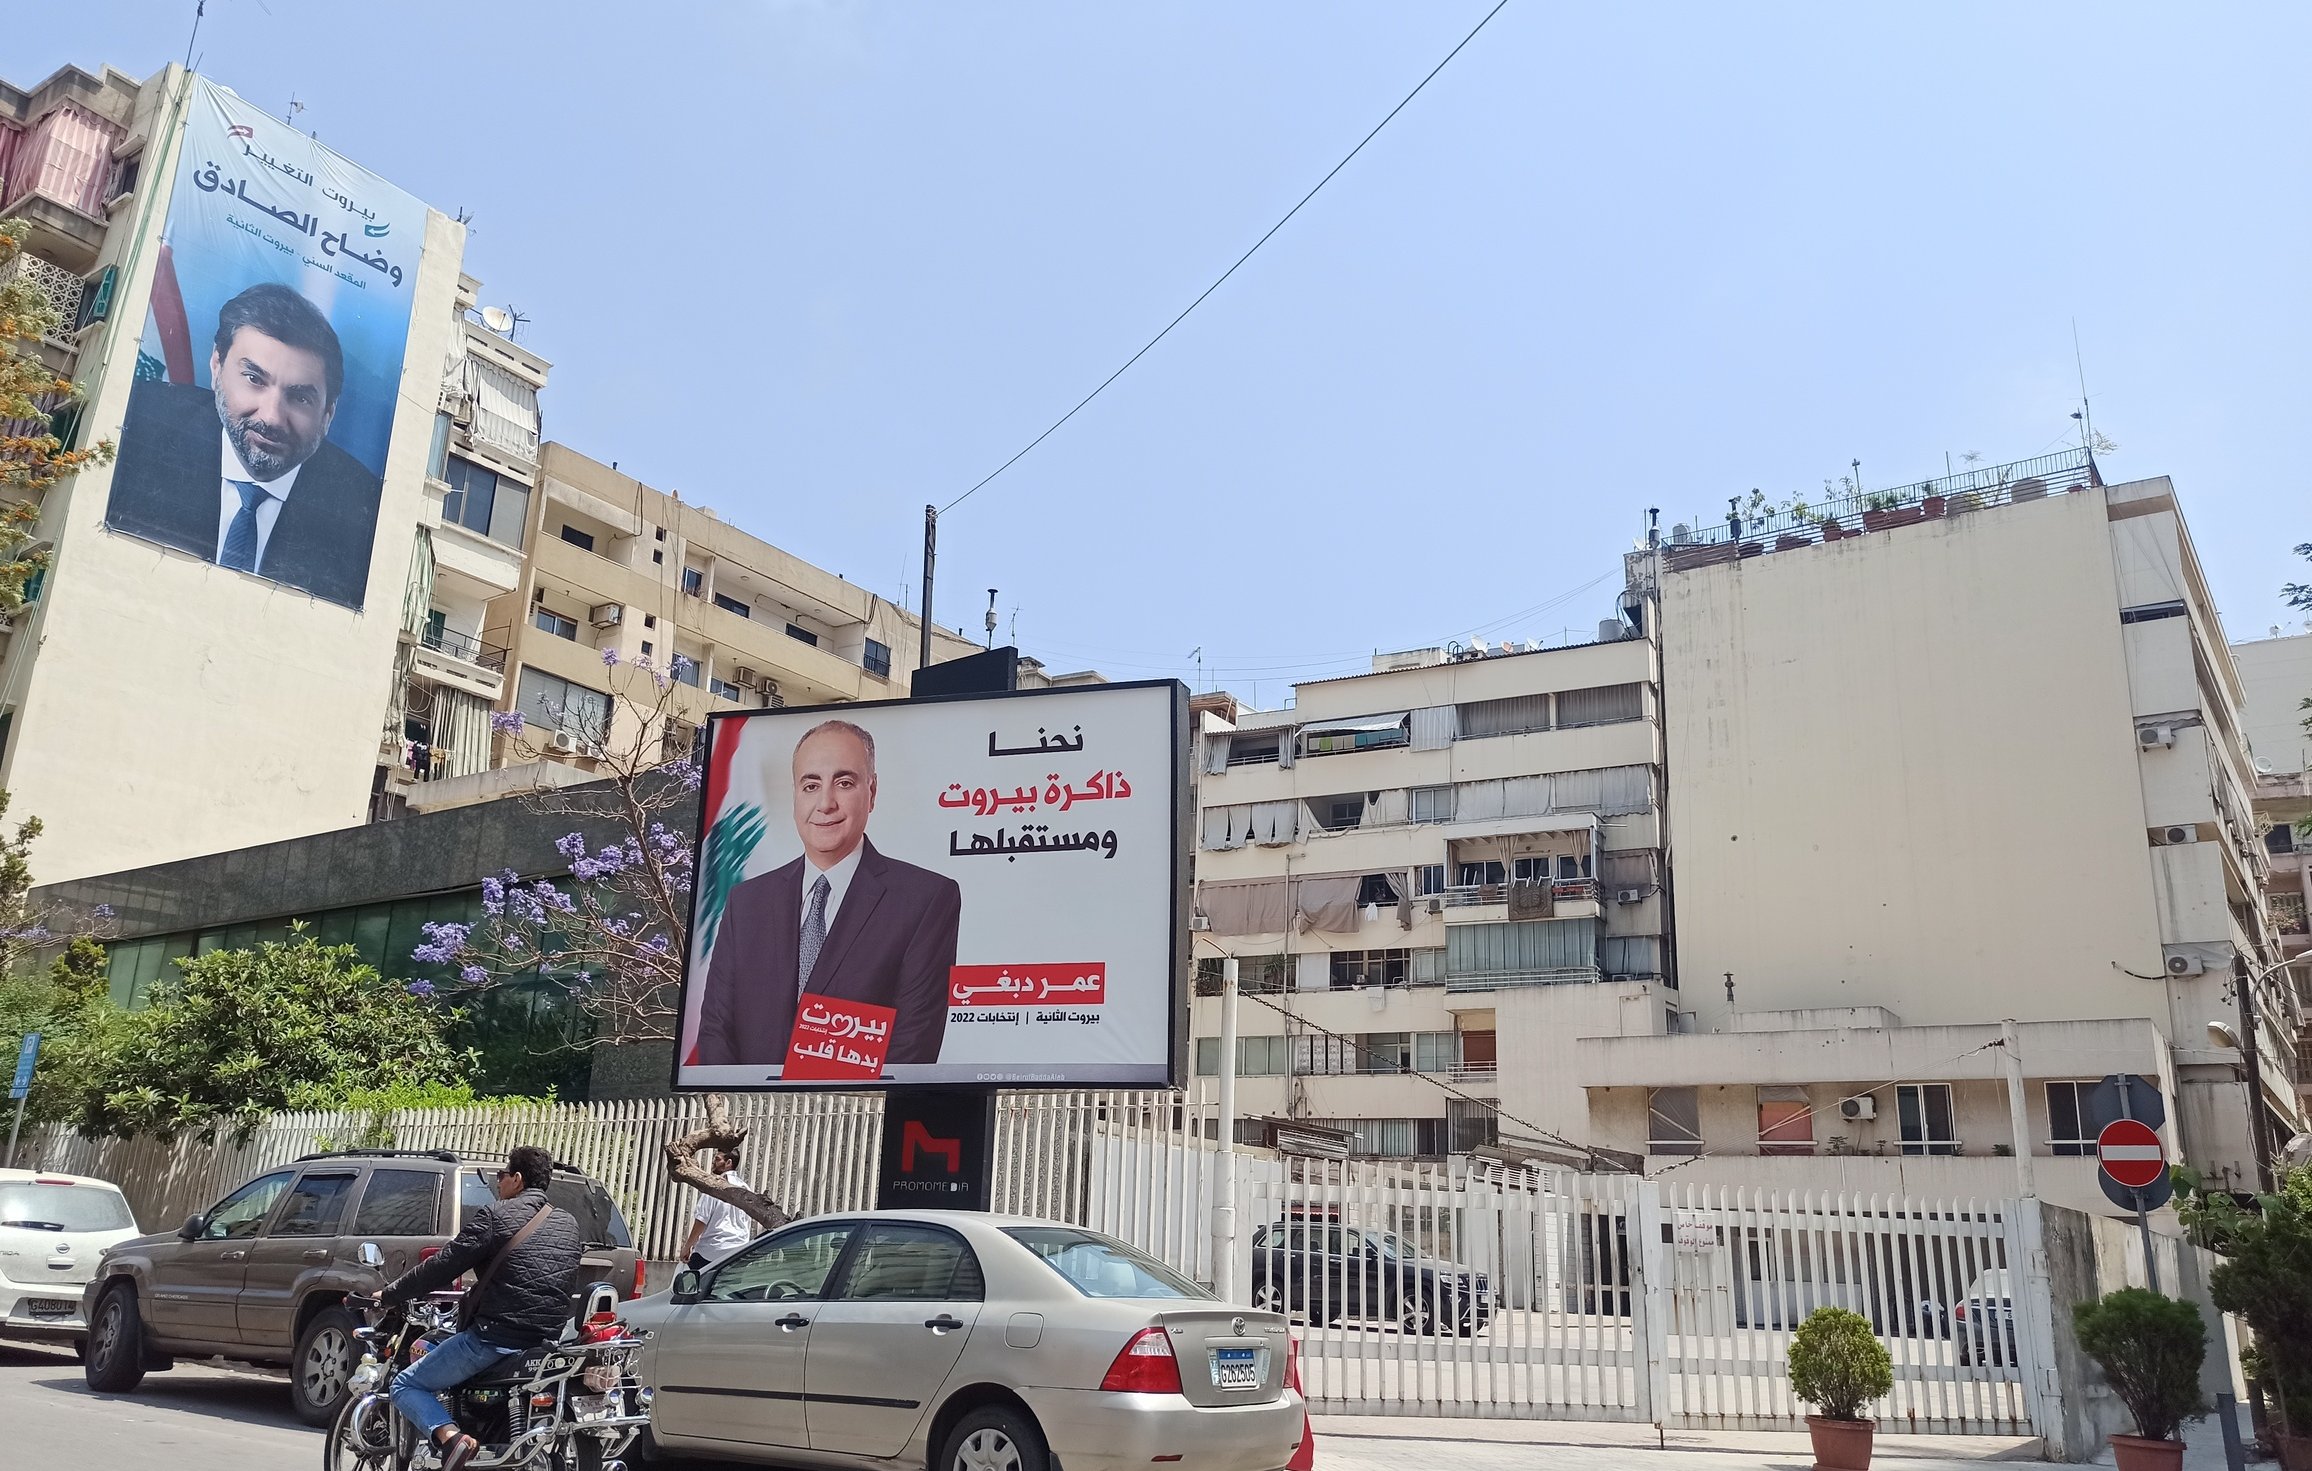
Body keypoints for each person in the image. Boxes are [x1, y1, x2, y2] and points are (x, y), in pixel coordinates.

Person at [695, 719, 960, 1069]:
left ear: (872, 792)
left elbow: (914, 1043)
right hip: (748, 1102)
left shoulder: (925, 900)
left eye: (844, 783)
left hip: (856, 1104)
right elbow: (715, 1029)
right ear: (795, 795)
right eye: (810, 786)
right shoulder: (746, 902)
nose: (825, 803)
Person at [105, 281, 383, 608]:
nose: (271, 417)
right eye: (254, 379)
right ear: (216, 366)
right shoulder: (137, 420)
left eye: (300, 397)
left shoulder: (365, 511)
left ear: (328, 415)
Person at [377, 1145, 580, 1471]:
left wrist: (390, 1294)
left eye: (502, 1174)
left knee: (405, 1384)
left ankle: (452, 1438)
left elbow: (444, 1264)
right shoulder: (568, 1223)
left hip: (494, 1337)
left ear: (517, 1179)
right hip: (545, 1341)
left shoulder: (496, 1215)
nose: (498, 1181)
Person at [680, 1147, 754, 1270]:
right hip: (739, 1250)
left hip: (713, 1248)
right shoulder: (745, 1188)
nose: (713, 1162)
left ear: (728, 1163)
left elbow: (701, 1220)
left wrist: (687, 1247)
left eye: (718, 1159)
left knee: (687, 1277)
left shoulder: (714, 1186)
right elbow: (747, 1221)